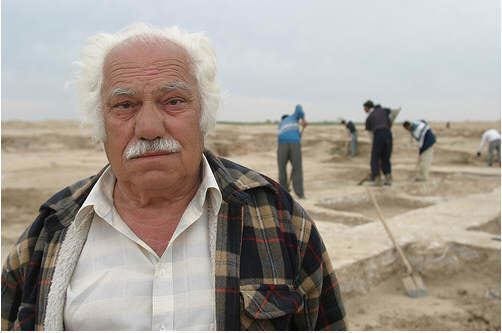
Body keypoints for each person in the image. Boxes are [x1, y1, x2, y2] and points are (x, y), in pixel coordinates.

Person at [1, 24, 345, 331]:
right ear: (99, 123)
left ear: (203, 113)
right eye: (124, 105)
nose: (149, 128)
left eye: (173, 101)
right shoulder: (50, 230)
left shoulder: (278, 218)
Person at [363, 100, 400, 186]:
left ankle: (377, 179)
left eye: (364, 108)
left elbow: (370, 135)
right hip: (388, 134)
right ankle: (388, 178)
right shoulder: (384, 110)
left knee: (375, 157)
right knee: (385, 157)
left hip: (378, 134)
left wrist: (375, 146)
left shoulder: (369, 118)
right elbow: (392, 113)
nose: (364, 110)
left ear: (368, 107)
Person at [277, 105, 307, 198]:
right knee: (296, 168)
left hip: (284, 144)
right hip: (290, 143)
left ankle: (285, 192)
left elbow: (298, 108)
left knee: (283, 169)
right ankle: (288, 192)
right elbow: (299, 108)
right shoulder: (292, 118)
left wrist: (302, 120)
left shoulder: (288, 122)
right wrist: (303, 120)